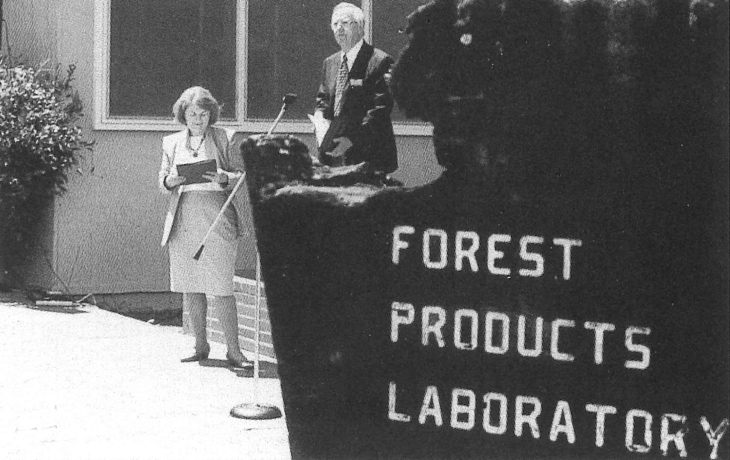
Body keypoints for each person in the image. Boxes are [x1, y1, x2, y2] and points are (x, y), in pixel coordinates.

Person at [158, 86, 252, 369]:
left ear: (211, 115)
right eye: (192, 114)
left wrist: (224, 176)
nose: (198, 119)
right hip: (184, 218)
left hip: (217, 216)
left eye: (203, 114)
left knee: (221, 286)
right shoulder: (170, 142)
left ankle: (234, 351)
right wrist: (170, 181)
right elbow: (162, 180)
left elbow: (241, 176)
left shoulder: (224, 137)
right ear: (182, 115)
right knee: (191, 285)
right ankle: (200, 345)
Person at [314, 2, 398, 176]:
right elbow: (323, 99)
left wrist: (351, 140)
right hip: (332, 153)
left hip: (367, 155)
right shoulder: (330, 63)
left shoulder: (379, 61)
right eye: (335, 24)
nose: (339, 29)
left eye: (345, 23)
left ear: (360, 28)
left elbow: (380, 110)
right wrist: (320, 120)